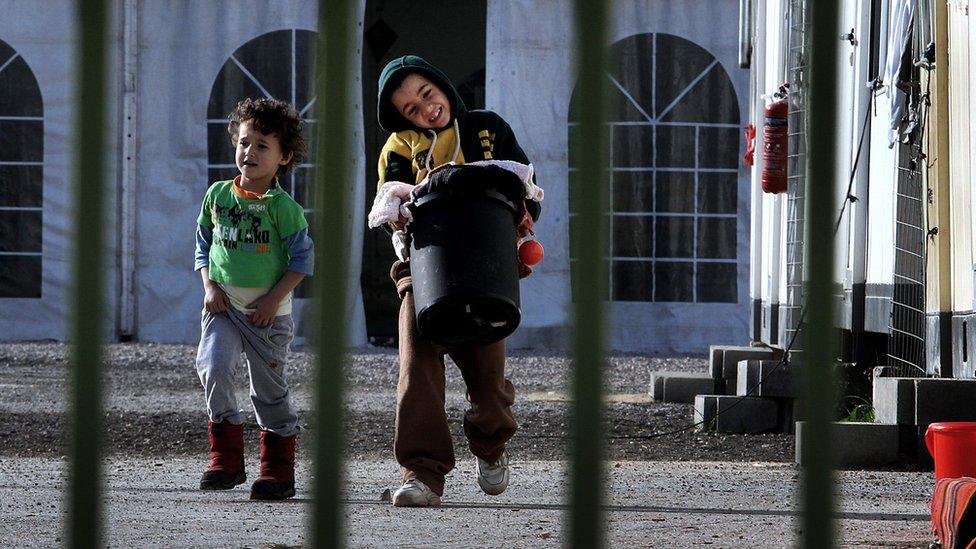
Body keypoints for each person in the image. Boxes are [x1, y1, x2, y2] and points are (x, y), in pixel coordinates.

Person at [371, 55, 541, 507]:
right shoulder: (398, 150)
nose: (425, 109)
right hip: (423, 267)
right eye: (410, 108)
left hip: (486, 266)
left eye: (427, 94)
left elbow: (525, 187)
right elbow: (394, 208)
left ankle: (491, 444)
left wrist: (523, 218)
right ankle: (422, 473)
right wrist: (400, 212)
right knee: (418, 368)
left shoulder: (487, 127)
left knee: (488, 379)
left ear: (443, 86)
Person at [193, 97, 313, 501]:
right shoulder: (217, 196)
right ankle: (225, 461)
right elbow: (203, 246)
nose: (251, 152)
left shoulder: (286, 210)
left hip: (267, 317)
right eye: (245, 142)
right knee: (214, 366)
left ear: (284, 157)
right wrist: (209, 286)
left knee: (268, 390)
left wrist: (270, 300)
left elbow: (301, 263)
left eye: (263, 145)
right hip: (222, 308)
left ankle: (277, 470)